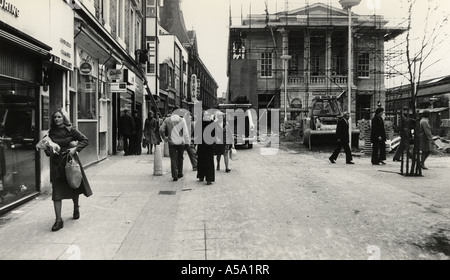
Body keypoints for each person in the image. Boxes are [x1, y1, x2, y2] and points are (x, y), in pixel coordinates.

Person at [42, 108, 92, 232]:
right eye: (55, 117)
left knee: (74, 186)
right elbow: (47, 152)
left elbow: (85, 140)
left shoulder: (71, 130)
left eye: (59, 117)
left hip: (70, 163)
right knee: (56, 193)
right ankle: (58, 220)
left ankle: (76, 207)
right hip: (57, 165)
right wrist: (48, 149)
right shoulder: (50, 133)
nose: (57, 119)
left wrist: (75, 149)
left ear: (64, 118)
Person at [159, 106, 190, 181]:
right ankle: (180, 173)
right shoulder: (182, 120)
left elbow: (161, 129)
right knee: (180, 157)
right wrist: (187, 142)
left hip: (171, 142)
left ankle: (174, 175)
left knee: (173, 159)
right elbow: (185, 132)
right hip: (180, 142)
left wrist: (164, 137)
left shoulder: (167, 120)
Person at [196, 111, 215, 185]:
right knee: (209, 161)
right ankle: (209, 179)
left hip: (201, 145)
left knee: (201, 160)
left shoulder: (199, 123)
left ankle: (201, 176)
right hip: (210, 145)